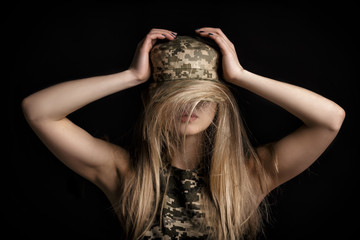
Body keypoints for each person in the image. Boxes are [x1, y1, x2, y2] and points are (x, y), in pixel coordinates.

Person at [22, 28, 345, 240]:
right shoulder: (125, 173)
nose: (189, 106)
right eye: (175, 97)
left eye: (203, 97)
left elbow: (330, 119)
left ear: (220, 105)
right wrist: (132, 76)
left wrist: (240, 76)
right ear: (153, 102)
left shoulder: (249, 174)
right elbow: (39, 111)